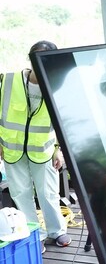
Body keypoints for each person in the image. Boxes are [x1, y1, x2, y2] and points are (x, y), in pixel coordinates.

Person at [0, 41, 71, 253]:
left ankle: (56, 231)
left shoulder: (57, 84)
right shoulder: (8, 81)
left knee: (48, 192)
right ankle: (34, 235)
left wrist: (58, 148)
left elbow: (62, 121)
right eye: (36, 58)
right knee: (20, 192)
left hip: (43, 150)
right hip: (12, 148)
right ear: (30, 59)